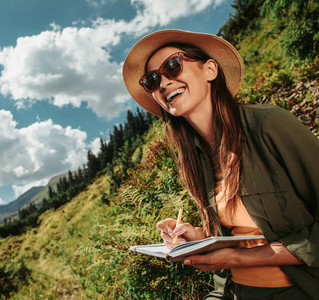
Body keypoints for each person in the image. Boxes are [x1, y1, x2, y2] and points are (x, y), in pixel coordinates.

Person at [122, 29, 319, 299]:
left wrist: (238, 259)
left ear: (210, 70)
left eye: (172, 66)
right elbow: (241, 233)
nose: (164, 82)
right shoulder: (194, 158)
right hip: (233, 292)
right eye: (153, 79)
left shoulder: (270, 125)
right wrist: (198, 237)